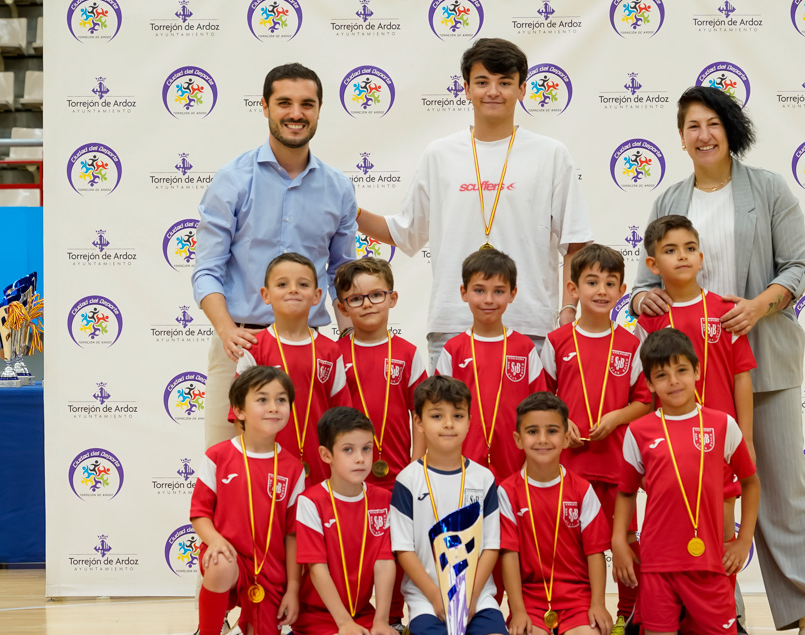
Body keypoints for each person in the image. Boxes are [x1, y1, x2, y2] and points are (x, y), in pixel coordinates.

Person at [629, 86, 805, 635]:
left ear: (730, 128)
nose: (704, 135)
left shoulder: (769, 189)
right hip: (692, 373)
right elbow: (643, 284)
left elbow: (798, 268)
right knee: (705, 491)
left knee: (779, 481)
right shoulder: (668, 201)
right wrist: (643, 299)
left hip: (764, 357)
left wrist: (759, 306)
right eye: (693, 126)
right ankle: (720, 613)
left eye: (713, 123)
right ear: (681, 136)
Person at [356, 38, 592, 367]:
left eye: (505, 82)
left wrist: (568, 310)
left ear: (522, 90)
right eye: (482, 82)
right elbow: (404, 232)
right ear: (466, 89)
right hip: (452, 325)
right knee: (449, 420)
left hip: (528, 324)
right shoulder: (439, 154)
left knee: (526, 420)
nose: (493, 91)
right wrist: (348, 211)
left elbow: (575, 241)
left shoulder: (550, 154)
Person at [193, 62, 356, 451]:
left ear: (319, 110)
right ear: (265, 107)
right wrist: (227, 331)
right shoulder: (232, 180)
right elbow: (206, 271)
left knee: (314, 464)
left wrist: (350, 336)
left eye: (307, 104)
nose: (296, 113)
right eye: (284, 103)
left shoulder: (339, 188)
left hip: (311, 352)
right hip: (242, 343)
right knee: (228, 463)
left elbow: (341, 274)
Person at [635, 216, 757, 635]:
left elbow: (742, 376)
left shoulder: (725, 311)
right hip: (671, 447)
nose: (682, 256)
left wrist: (745, 434)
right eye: (670, 250)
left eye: (689, 248)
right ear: (653, 263)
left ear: (702, 257)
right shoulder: (650, 316)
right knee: (676, 530)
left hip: (716, 447)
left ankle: (728, 615)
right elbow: (643, 387)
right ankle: (673, 616)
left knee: (720, 536)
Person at [611, 329, 759, 635]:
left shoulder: (722, 425)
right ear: (649, 384)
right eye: (661, 375)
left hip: (707, 561)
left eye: (681, 371)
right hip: (659, 562)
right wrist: (619, 539)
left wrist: (742, 541)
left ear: (697, 372)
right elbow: (625, 492)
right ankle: (654, 618)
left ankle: (691, 621)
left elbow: (751, 483)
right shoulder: (639, 431)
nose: (673, 381)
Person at [539, 243, 652, 635]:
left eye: (609, 283)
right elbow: (542, 398)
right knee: (568, 545)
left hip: (616, 462)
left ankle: (627, 617)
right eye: (591, 282)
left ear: (622, 290)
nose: (601, 290)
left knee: (625, 542)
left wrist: (617, 418)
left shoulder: (631, 343)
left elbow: (645, 399)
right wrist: (561, 421)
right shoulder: (556, 341)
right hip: (568, 466)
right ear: (573, 289)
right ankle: (566, 615)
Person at [187, 366, 305, 635]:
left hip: (269, 571)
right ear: (239, 410)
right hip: (231, 560)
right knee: (221, 563)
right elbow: (199, 513)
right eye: (262, 399)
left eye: (281, 400)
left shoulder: (293, 467)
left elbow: (294, 534)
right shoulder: (218, 456)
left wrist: (293, 588)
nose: (273, 407)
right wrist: (215, 541)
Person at [390, 376, 512, 635]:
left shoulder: (484, 479)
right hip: (428, 595)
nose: (448, 424)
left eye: (457, 416)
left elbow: (491, 547)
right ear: (418, 423)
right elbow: (404, 550)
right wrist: (435, 596)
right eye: (437, 416)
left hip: (476, 594)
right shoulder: (407, 480)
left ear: (470, 421)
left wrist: (469, 596)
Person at [333, 257, 427, 632]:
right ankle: (349, 616)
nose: (367, 303)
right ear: (341, 307)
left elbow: (420, 416)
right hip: (347, 476)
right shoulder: (333, 354)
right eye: (356, 299)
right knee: (347, 546)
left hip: (396, 474)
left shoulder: (407, 353)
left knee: (395, 547)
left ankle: (393, 619)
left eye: (376, 295)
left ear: (393, 298)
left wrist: (417, 466)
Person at [287, 407, 403, 635]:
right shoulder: (311, 501)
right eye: (348, 450)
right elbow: (317, 569)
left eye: (366, 449)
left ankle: (358, 633)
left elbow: (384, 561)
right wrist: (343, 623)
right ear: (326, 455)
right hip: (320, 614)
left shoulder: (382, 499)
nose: (360, 459)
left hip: (361, 610)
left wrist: (382, 621)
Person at [499, 392, 611, 635]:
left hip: (576, 596)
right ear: (518, 439)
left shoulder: (582, 490)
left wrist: (597, 603)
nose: (543, 440)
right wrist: (518, 610)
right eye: (532, 432)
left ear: (565, 437)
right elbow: (508, 555)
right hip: (531, 597)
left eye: (552, 431)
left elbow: (596, 552)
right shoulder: (507, 492)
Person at [234, 253, 352, 483]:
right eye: (282, 284)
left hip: (321, 467)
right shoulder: (254, 349)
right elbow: (240, 416)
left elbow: (341, 415)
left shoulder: (330, 351)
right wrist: (251, 464)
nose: (293, 290)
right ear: (265, 295)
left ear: (317, 295)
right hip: (267, 467)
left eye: (303, 284)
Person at [435, 248, 546, 482]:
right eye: (479, 290)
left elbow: (539, 408)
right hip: (461, 464)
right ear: (463, 293)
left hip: (516, 464)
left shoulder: (524, 348)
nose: (488, 300)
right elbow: (438, 410)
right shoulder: (453, 350)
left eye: (498, 291)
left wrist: (532, 459)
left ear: (512, 294)